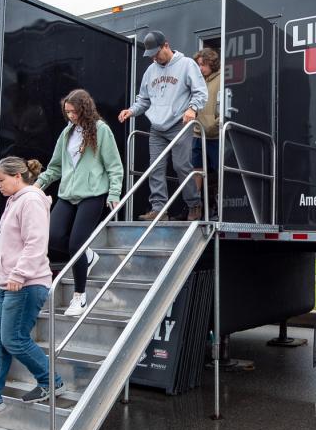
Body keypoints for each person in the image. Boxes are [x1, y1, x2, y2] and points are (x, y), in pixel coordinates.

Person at [0, 157, 62, 423]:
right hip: (8, 283)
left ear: (18, 176)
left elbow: (36, 243)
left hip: (26, 283)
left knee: (13, 339)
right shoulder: (15, 200)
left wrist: (18, 273)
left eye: (1, 180)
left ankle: (51, 382)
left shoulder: (30, 200)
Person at [35, 89, 124, 317]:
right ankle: (88, 255)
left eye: (74, 112)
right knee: (52, 237)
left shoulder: (101, 130)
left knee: (76, 245)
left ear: (84, 109)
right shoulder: (67, 133)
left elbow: (114, 165)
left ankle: (80, 298)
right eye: (67, 112)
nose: (71, 116)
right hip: (67, 193)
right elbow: (55, 167)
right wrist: (38, 185)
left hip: (93, 194)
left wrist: (114, 193)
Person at [118, 30, 208, 221]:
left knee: (181, 165)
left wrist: (192, 108)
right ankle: (159, 209)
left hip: (179, 124)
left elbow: (200, 92)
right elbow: (143, 99)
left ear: (166, 45)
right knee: (155, 167)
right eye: (151, 55)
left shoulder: (186, 65)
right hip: (157, 127)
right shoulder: (150, 71)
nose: (155, 58)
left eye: (157, 53)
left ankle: (194, 205)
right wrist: (131, 110)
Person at [192, 48, 222, 209]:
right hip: (198, 132)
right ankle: (194, 205)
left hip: (216, 134)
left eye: (203, 64)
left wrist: (215, 124)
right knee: (196, 170)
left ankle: (219, 206)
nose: (200, 68)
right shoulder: (198, 81)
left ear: (212, 62)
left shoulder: (223, 78)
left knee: (219, 172)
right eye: (198, 65)